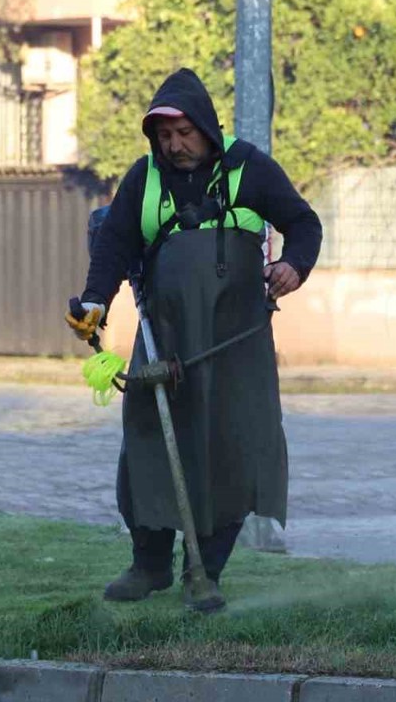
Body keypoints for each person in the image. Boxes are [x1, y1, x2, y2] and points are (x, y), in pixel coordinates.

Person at [65, 67, 322, 611]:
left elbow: (305, 224)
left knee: (232, 448)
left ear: (205, 127)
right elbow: (113, 246)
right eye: (164, 136)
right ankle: (149, 565)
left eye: (184, 133)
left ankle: (204, 573)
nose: (175, 146)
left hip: (236, 344)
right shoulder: (144, 178)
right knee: (149, 444)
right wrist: (94, 301)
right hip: (167, 339)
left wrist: (295, 266)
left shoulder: (249, 168)